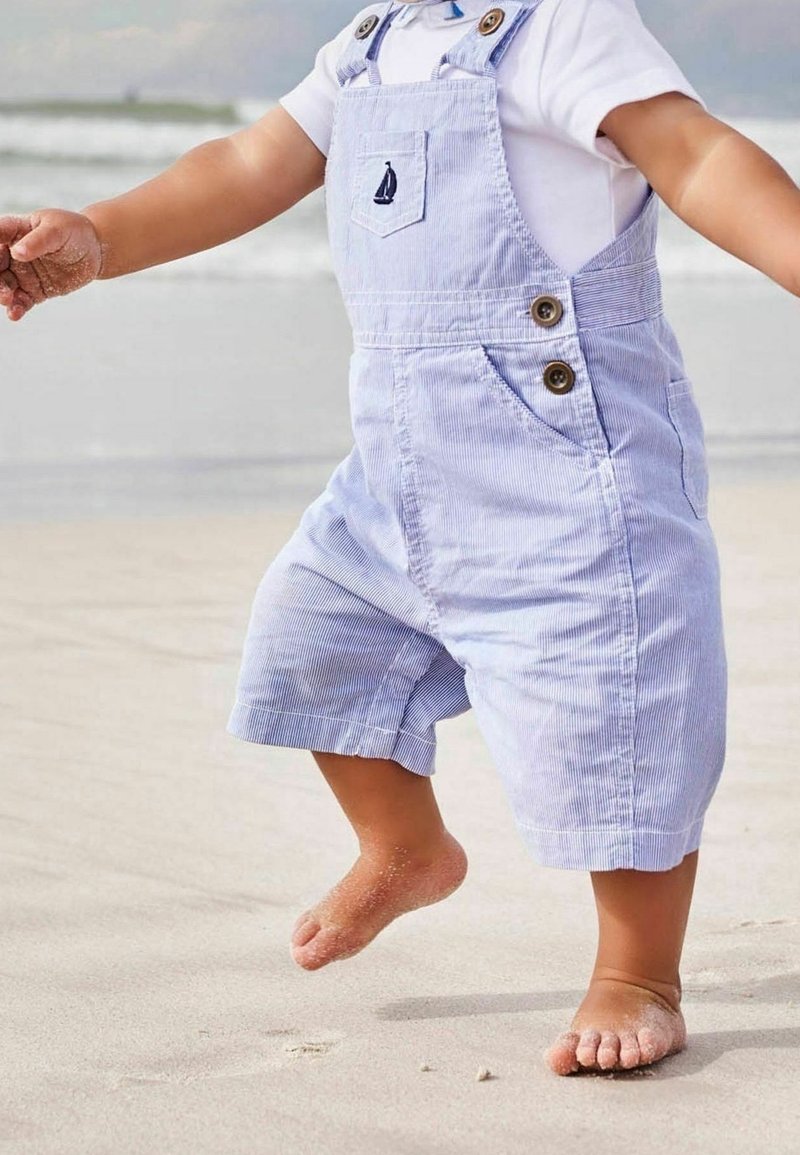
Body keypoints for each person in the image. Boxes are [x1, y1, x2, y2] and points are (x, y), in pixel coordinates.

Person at [2, 0, 798, 1077]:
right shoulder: (367, 48)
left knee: (621, 718)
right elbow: (243, 165)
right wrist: (101, 237)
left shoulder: (564, 27)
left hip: (565, 469)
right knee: (313, 641)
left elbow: (693, 157)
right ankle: (403, 845)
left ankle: (637, 972)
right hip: (397, 476)